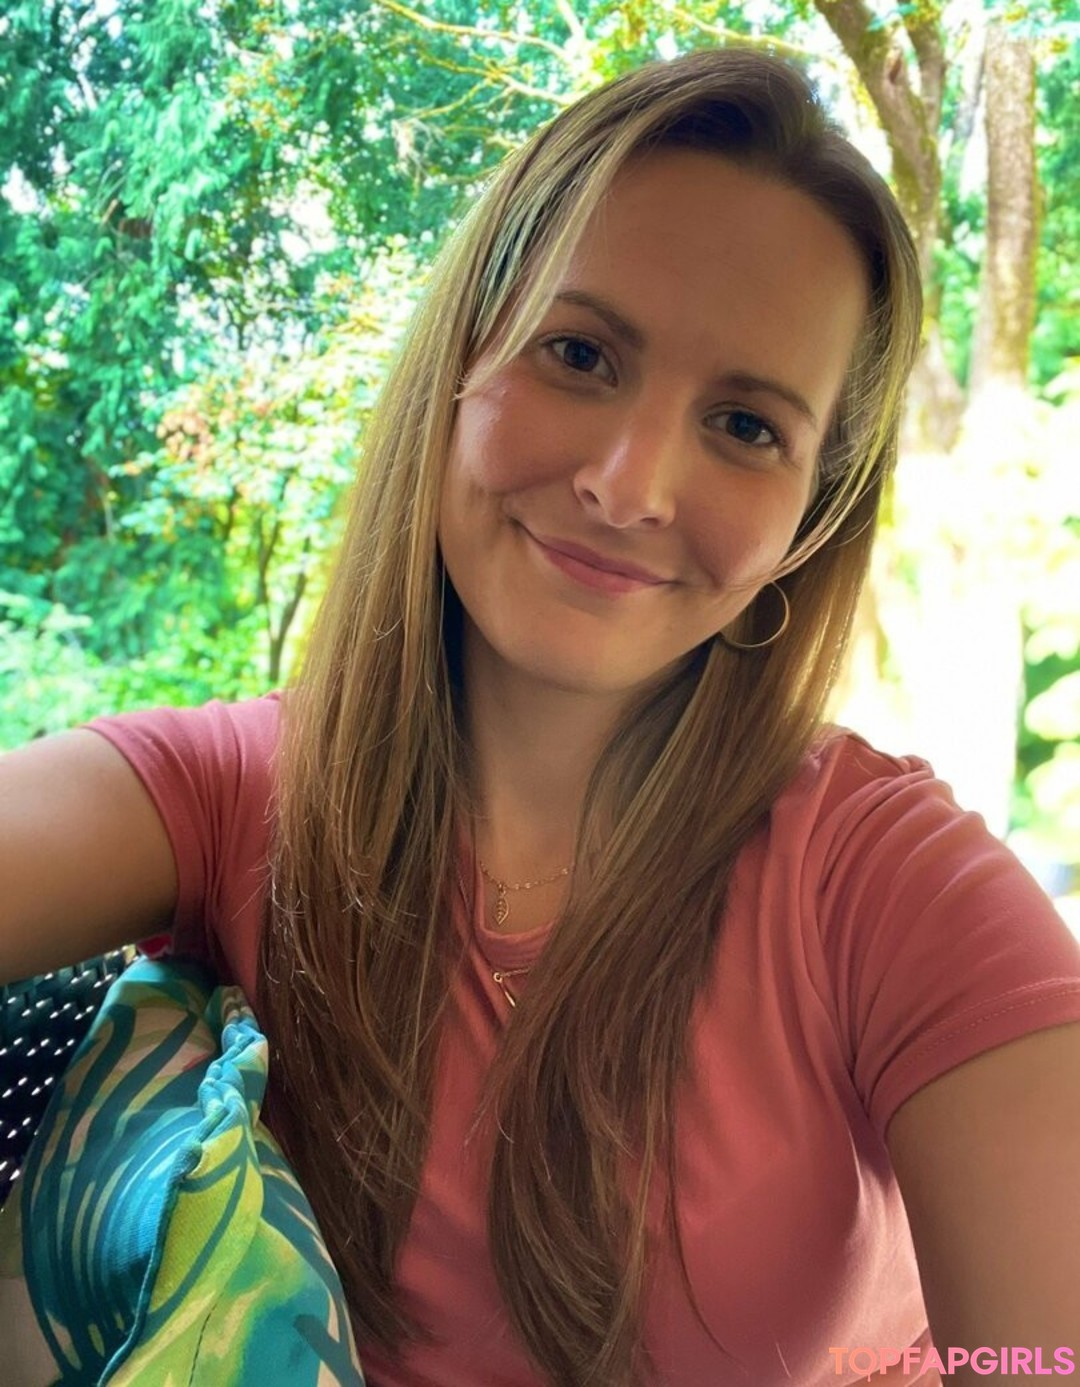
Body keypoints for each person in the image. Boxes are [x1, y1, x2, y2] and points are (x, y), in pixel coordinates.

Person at [2, 46, 1078, 1387]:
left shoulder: (890, 888)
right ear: (463, 362)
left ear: (808, 522)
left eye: (746, 427)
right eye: (580, 354)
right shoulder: (226, 792)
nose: (631, 485)